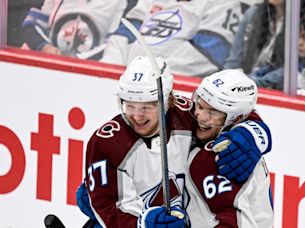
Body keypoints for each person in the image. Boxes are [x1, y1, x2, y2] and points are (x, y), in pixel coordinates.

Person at [78, 55, 196, 227]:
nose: (137, 116)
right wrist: (144, 224)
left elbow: (231, 116)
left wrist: (249, 132)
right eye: (130, 106)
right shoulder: (108, 143)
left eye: (147, 107)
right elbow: (108, 208)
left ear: (167, 100)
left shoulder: (187, 116)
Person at [186, 69, 274, 227]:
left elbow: (233, 219)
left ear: (237, 119)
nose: (201, 116)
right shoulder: (234, 136)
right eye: (199, 104)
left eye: (213, 112)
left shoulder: (229, 157)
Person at [100, 0, 243, 77]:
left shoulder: (224, 4)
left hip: (172, 90)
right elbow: (125, 32)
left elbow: (206, 57)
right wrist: (110, 69)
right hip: (126, 77)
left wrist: (150, 75)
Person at [18, 0, 128, 59]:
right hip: (47, 61)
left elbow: (114, 43)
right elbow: (30, 25)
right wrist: (45, 47)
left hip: (89, 71)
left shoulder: (121, 2)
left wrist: (74, 61)